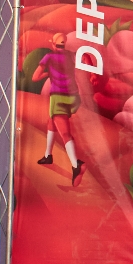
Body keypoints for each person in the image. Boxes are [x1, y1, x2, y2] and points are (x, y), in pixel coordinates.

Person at [30, 32, 83, 182]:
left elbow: (34, 77)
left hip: (59, 97)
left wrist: (47, 74)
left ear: (53, 44)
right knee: (51, 122)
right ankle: (48, 155)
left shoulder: (49, 57)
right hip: (74, 97)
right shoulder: (72, 55)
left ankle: (76, 166)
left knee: (65, 132)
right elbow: (85, 58)